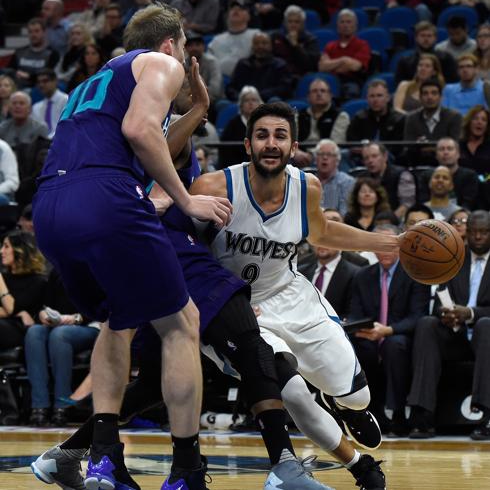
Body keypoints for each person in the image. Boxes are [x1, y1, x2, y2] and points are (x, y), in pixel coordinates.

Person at [32, 3, 233, 490]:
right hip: (105, 197)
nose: (186, 64)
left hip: (49, 206)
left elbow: (146, 137)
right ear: (170, 45)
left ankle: (104, 459)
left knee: (118, 322)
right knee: (182, 322)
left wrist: (197, 109)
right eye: (186, 51)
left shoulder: (90, 84)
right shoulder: (160, 62)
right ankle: (186, 470)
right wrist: (187, 199)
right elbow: (140, 132)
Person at [190, 102, 407, 486]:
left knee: (358, 398)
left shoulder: (305, 187)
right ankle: (361, 468)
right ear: (246, 144)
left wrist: (390, 243)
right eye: (261, 135)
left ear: (293, 149)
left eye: (280, 136)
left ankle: (344, 405)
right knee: (292, 391)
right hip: (238, 310)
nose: (270, 144)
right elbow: (182, 251)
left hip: (291, 297)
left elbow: (321, 233)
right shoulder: (214, 188)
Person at [407, 210, 490, 441]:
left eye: (484, 232)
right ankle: (421, 414)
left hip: (485, 336)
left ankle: (486, 415)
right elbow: (438, 301)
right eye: (474, 232)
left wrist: (471, 313)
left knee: (485, 325)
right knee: (427, 324)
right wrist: (446, 313)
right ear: (467, 234)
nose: (478, 237)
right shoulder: (454, 258)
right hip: (458, 335)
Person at [349, 223, 430, 437]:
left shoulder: (415, 274)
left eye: (390, 245)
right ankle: (368, 413)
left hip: (401, 336)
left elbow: (418, 316)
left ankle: (397, 414)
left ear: (400, 246)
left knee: (395, 346)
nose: (385, 250)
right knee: (360, 347)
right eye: (379, 245)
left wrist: (388, 330)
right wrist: (362, 329)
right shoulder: (362, 275)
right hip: (371, 335)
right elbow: (355, 313)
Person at [25, 268, 100, 427]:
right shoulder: (57, 271)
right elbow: (45, 305)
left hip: (90, 325)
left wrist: (76, 318)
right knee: (34, 332)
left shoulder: (94, 265)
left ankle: (62, 406)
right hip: (59, 324)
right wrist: (43, 315)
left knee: (60, 335)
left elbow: (102, 307)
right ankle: (39, 406)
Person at [0, 230, 46, 351]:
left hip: (20, 331)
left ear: (20, 250)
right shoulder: (4, 277)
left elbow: (10, 308)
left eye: (6, 246)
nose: (1, 251)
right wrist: (19, 313)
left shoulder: (38, 281)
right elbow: (13, 310)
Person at [403, 79, 463, 166]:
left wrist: (424, 148)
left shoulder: (454, 117)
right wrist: (438, 148)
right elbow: (408, 146)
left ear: (441, 97)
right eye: (425, 93)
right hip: (418, 164)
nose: (429, 97)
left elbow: (454, 147)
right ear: (420, 97)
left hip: (446, 166)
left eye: (434, 93)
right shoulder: (411, 118)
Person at [296, 77, 350, 167]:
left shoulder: (340, 116)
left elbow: (336, 143)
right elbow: (291, 138)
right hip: (300, 157)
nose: (319, 94)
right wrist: (296, 152)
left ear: (330, 95)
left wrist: (313, 154)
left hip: (327, 156)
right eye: (314, 91)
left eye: (323, 91)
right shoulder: (298, 115)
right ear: (308, 96)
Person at [318, 9, 371, 100]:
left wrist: (332, 65)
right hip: (330, 82)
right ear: (337, 26)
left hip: (352, 81)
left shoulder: (362, 45)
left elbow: (356, 67)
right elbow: (322, 67)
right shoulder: (330, 46)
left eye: (349, 22)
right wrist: (343, 60)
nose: (345, 25)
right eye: (342, 22)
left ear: (355, 26)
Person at [225, 31, 293, 101]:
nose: (260, 46)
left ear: (271, 46)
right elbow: (231, 87)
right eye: (256, 43)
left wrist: (258, 96)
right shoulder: (242, 64)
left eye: (264, 43)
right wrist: (241, 97)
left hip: (269, 102)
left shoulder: (280, 65)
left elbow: (285, 88)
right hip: (244, 102)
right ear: (252, 47)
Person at [418, 137, 480, 210]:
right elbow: (423, 201)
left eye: (450, 149)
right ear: (436, 155)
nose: (445, 152)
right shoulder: (426, 176)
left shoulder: (470, 176)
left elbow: (469, 204)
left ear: (458, 154)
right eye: (441, 149)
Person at [360, 142, 416, 219]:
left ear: (385, 156)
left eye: (374, 156)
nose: (370, 161)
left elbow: (407, 205)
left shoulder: (402, 175)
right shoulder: (362, 178)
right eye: (366, 158)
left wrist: (389, 221)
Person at [207, 0, 260, 78]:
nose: (236, 10)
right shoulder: (217, 39)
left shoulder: (256, 35)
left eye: (241, 9)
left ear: (249, 16)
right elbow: (209, 65)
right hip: (219, 81)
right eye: (232, 9)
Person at [394, 21, 458, 86]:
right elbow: (400, 84)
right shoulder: (405, 61)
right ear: (416, 38)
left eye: (429, 36)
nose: (426, 39)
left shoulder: (446, 58)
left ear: (435, 38)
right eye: (422, 35)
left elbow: (453, 83)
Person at [271, 5, 321, 82]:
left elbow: (309, 66)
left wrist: (295, 45)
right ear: (285, 23)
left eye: (297, 22)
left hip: (299, 78)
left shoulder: (310, 40)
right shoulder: (276, 37)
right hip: (278, 76)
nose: (293, 25)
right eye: (290, 21)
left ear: (303, 24)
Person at [8, 17, 60, 89]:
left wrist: (29, 76)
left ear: (44, 32)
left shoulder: (52, 54)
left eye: (36, 31)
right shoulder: (19, 52)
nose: (33, 34)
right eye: (30, 32)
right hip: (18, 88)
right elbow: (10, 71)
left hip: (40, 89)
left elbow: (50, 76)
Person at [219, 85, 262, 168]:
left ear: (260, 103)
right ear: (241, 105)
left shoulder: (266, 123)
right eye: (246, 100)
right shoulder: (232, 125)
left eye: (254, 100)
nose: (250, 103)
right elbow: (226, 152)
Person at [313, 138, 354, 214]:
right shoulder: (308, 181)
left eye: (329, 154)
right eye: (321, 154)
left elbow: (345, 213)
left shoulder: (347, 182)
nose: (325, 158)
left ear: (337, 160)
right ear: (315, 159)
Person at [31, 68, 68, 139]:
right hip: (42, 145)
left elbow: (67, 126)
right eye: (39, 82)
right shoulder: (36, 107)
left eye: (45, 81)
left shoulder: (66, 100)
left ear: (55, 81)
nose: (41, 85)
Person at [459, 105, 490, 176]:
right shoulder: (458, 146)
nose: (479, 122)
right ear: (469, 122)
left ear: (487, 126)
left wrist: (484, 180)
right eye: (475, 118)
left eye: (484, 120)